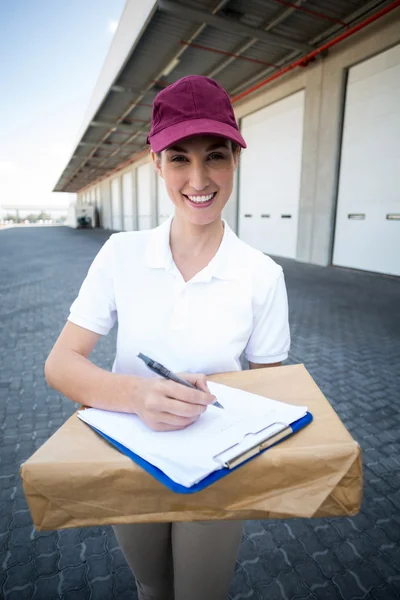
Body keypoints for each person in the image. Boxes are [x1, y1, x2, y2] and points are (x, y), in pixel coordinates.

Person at [45, 75, 290, 600]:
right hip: (131, 455)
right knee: (151, 586)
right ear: (155, 163)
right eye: (179, 157)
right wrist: (137, 395)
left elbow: (275, 393)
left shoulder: (262, 274)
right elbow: (61, 364)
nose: (198, 177)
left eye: (215, 155)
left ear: (235, 160)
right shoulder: (120, 255)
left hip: (220, 464)